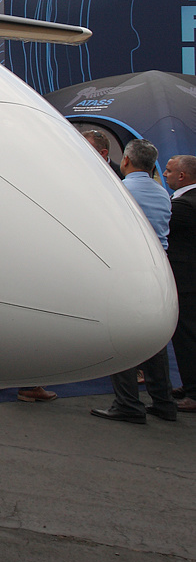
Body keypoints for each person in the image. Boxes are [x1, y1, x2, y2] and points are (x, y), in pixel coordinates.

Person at [92, 139, 176, 423]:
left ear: (125, 160)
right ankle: (163, 402)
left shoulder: (119, 192)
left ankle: (128, 404)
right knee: (153, 341)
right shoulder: (162, 193)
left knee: (120, 336)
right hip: (158, 270)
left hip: (126, 272)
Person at [162, 154, 196, 412]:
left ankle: (193, 393)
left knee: (186, 338)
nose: (165, 174)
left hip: (186, 282)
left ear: (182, 176)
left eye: (169, 171)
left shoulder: (183, 206)